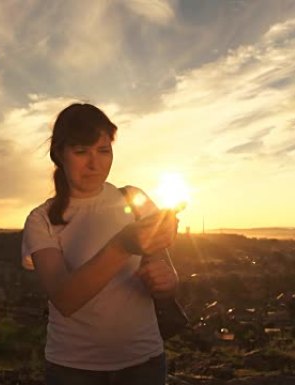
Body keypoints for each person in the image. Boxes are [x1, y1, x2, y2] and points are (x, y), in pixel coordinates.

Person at [21, 103, 180, 385]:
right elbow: (65, 298)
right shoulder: (41, 219)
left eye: (103, 151)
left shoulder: (135, 199)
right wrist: (122, 245)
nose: (95, 164)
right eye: (81, 152)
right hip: (73, 367)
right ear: (59, 154)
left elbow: (164, 268)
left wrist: (166, 280)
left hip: (144, 360)